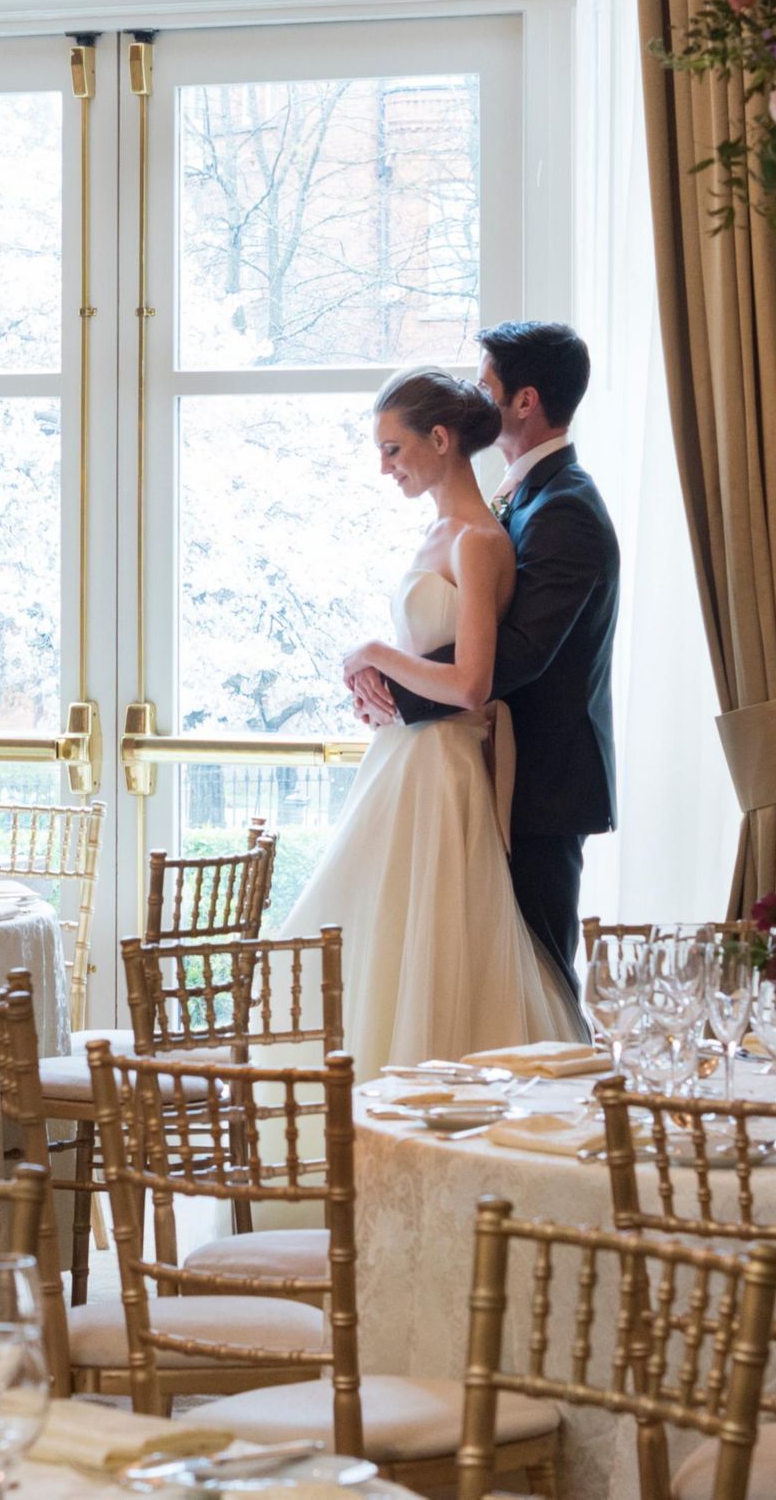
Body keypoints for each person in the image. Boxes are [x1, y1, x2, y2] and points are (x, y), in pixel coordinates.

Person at [274, 367, 581, 1072]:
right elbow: (429, 661)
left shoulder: (479, 540)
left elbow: (472, 683)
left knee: (431, 947)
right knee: (374, 937)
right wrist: (378, 686)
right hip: (405, 758)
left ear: (440, 439)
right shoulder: (442, 532)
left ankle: (426, 1107)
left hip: (442, 769)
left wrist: (375, 653)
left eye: (393, 449)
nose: (385, 467)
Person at [346, 322, 618, 992]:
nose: (475, 394)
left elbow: (518, 652)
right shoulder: (518, 496)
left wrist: (389, 682)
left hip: (540, 782)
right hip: (482, 763)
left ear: (524, 401)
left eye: (486, 383)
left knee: (537, 980)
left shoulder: (566, 507)